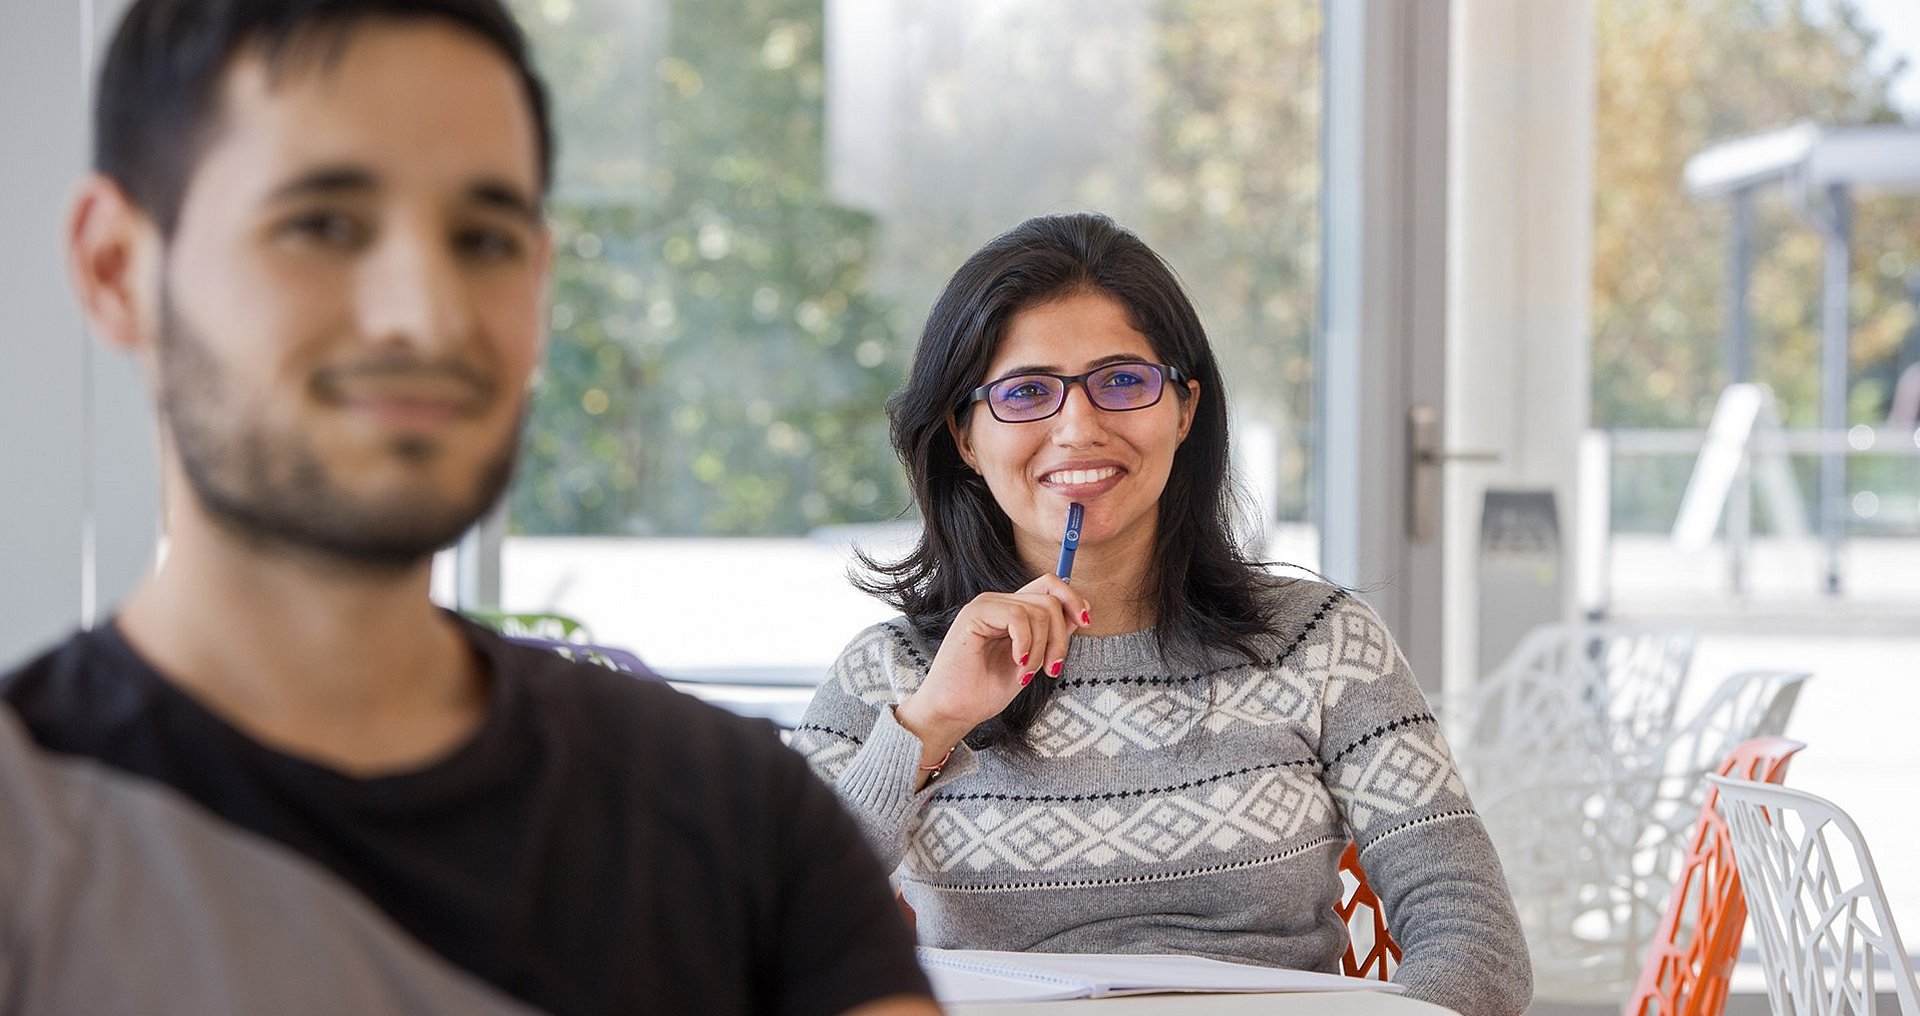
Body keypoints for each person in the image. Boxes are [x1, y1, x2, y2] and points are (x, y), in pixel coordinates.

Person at [0, 2, 936, 1014]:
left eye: (482, 239)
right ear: (116, 267)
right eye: (323, 225)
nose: (427, 314)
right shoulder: (31, 831)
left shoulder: (739, 818)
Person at [794, 212, 1533, 1016]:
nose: (1078, 428)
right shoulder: (890, 672)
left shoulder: (1322, 642)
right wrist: (928, 725)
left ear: (1184, 409)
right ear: (964, 437)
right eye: (1026, 392)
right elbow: (772, 927)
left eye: (1121, 381)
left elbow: (1475, 938)